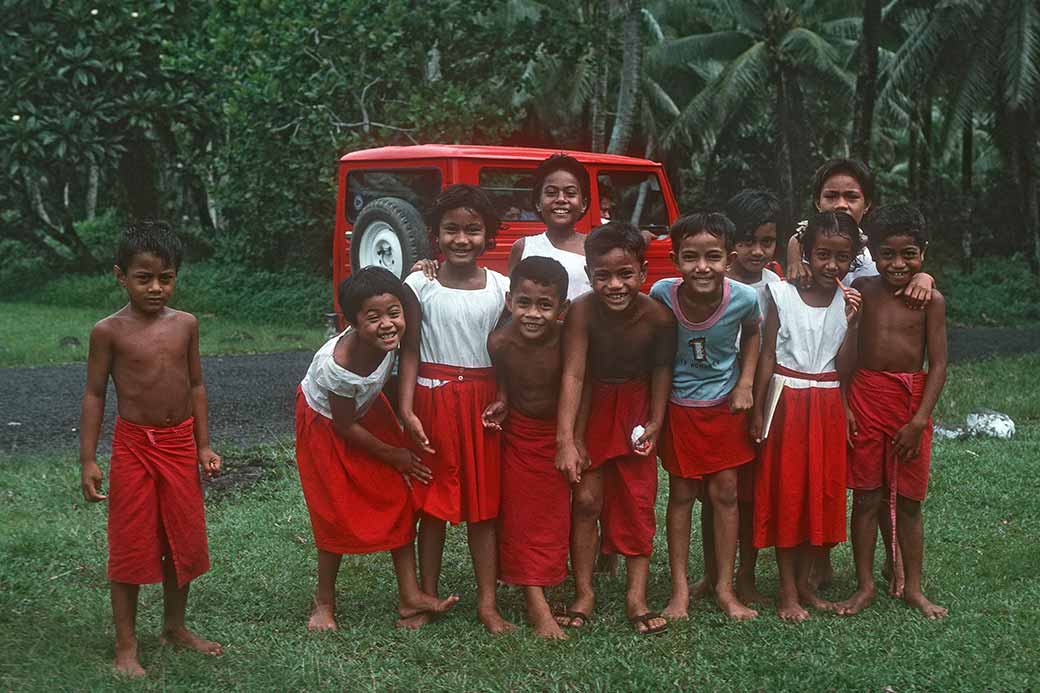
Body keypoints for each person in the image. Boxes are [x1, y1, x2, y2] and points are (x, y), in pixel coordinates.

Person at [79, 221, 223, 677]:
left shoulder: (186, 325)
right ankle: (126, 647)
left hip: (180, 443)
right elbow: (95, 394)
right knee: (131, 542)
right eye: (144, 278)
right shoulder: (108, 331)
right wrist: (88, 459)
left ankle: (174, 627)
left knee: (182, 537)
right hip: (134, 446)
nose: (156, 288)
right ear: (120, 276)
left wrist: (203, 445)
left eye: (166, 277)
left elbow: (196, 385)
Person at [784, 157, 935, 592]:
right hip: (824, 380)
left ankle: (894, 561)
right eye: (831, 195)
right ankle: (821, 559)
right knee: (835, 476)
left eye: (851, 196)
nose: (841, 203)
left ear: (867, 204)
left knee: (887, 481)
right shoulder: (808, 247)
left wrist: (925, 274)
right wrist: (794, 250)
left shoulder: (876, 258)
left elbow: (908, 265)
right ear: (816, 202)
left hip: (873, 383)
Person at [295, 267, 460, 632]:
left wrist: (421, 266)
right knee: (333, 510)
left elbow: (409, 313)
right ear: (352, 322)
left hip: (366, 409)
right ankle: (324, 602)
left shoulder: (398, 318)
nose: (387, 324)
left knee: (400, 495)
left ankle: (410, 596)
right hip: (328, 424)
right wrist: (393, 454)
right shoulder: (340, 364)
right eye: (373, 318)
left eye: (393, 313)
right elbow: (343, 425)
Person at [397, 184, 515, 634]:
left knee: (483, 508)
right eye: (451, 230)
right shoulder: (419, 284)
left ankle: (488, 604)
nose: (461, 239)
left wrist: (503, 397)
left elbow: (506, 353)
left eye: (472, 230)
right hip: (432, 400)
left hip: (483, 406)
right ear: (436, 234)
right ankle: (425, 596)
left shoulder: (502, 289)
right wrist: (407, 408)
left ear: (488, 235)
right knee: (432, 506)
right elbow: (409, 349)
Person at [554, 222, 676, 635]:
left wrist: (656, 420)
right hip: (593, 406)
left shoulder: (658, 317)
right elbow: (573, 373)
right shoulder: (582, 311)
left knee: (637, 502)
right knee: (587, 500)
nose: (615, 285)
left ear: (643, 272)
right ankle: (584, 591)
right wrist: (567, 439)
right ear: (589, 274)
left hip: (637, 408)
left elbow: (662, 371)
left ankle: (636, 596)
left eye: (625, 274)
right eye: (603, 276)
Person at [836, 203, 948, 619]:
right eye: (887, 254)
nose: (898, 264)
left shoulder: (930, 300)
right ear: (874, 253)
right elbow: (846, 358)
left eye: (909, 255)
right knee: (866, 496)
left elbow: (938, 364)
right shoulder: (862, 290)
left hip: (909, 402)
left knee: (910, 501)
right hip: (865, 396)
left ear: (924, 253)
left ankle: (913, 587)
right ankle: (865, 585)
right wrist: (846, 404)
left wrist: (919, 421)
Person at [750, 211, 863, 623]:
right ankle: (786, 592)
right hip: (787, 404)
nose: (832, 265)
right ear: (807, 254)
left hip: (827, 403)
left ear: (853, 260)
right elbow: (767, 355)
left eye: (842, 258)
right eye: (823, 255)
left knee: (819, 491)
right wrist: (758, 409)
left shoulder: (850, 300)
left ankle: (804, 586)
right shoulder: (782, 294)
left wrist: (853, 324)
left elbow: (845, 367)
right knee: (788, 493)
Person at [650, 212, 761, 622]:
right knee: (681, 495)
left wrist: (745, 382)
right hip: (681, 407)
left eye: (712, 257)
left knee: (726, 493)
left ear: (729, 259)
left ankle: (724, 588)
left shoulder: (744, 298)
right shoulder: (662, 294)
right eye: (690, 257)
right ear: (674, 259)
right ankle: (679, 590)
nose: (702, 267)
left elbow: (754, 333)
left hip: (725, 407)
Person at [486, 257, 573, 639]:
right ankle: (537, 606)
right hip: (520, 435)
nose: (533, 314)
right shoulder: (500, 342)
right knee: (523, 518)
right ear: (509, 301)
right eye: (524, 303)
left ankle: (569, 577)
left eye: (544, 305)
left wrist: (574, 438)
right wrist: (502, 401)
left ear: (562, 308)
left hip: (561, 433)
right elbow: (503, 383)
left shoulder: (568, 339)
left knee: (558, 515)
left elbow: (581, 385)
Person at [724, 189, 783, 604]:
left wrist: (759, 405)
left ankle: (745, 573)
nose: (757, 251)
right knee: (718, 491)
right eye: (747, 241)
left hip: (759, 397)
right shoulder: (715, 279)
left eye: (767, 241)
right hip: (714, 396)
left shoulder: (776, 286)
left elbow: (771, 349)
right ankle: (716, 575)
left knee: (750, 493)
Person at [508, 153, 593, 300]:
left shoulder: (595, 247)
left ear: (583, 204)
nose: (561, 199)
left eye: (570, 193)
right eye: (551, 193)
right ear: (538, 203)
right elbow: (514, 302)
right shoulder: (523, 247)